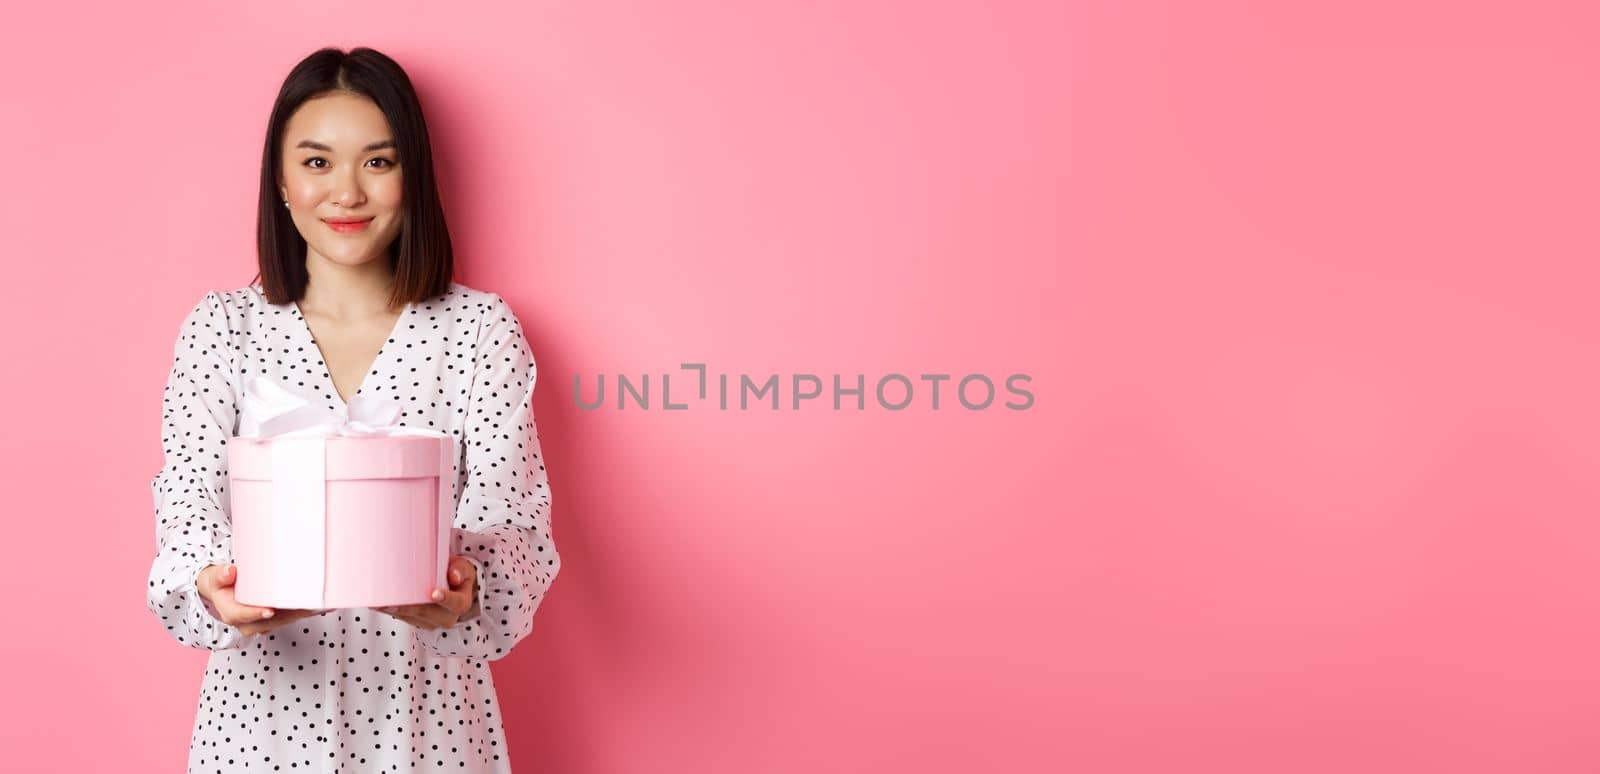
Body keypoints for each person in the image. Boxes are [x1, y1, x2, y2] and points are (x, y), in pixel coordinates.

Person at [145, 47, 561, 773]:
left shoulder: (479, 331)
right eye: (316, 163)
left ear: (413, 177)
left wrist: (469, 588)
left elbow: (516, 519)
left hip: (427, 721)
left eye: (377, 161)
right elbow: (186, 508)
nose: (347, 193)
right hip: (262, 725)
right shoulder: (223, 329)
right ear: (280, 179)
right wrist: (211, 585)